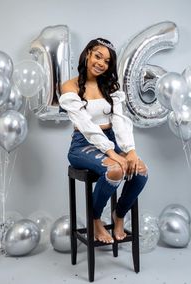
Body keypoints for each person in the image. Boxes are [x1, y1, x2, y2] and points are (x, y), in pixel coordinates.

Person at [59, 38, 148, 244]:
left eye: (107, 61)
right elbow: (86, 125)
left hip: (111, 140)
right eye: (98, 56)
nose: (101, 63)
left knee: (141, 171)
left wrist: (130, 150)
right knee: (115, 169)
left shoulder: (110, 87)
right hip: (82, 145)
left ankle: (119, 215)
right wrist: (112, 153)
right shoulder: (70, 86)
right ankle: (95, 219)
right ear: (88, 53)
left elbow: (119, 121)